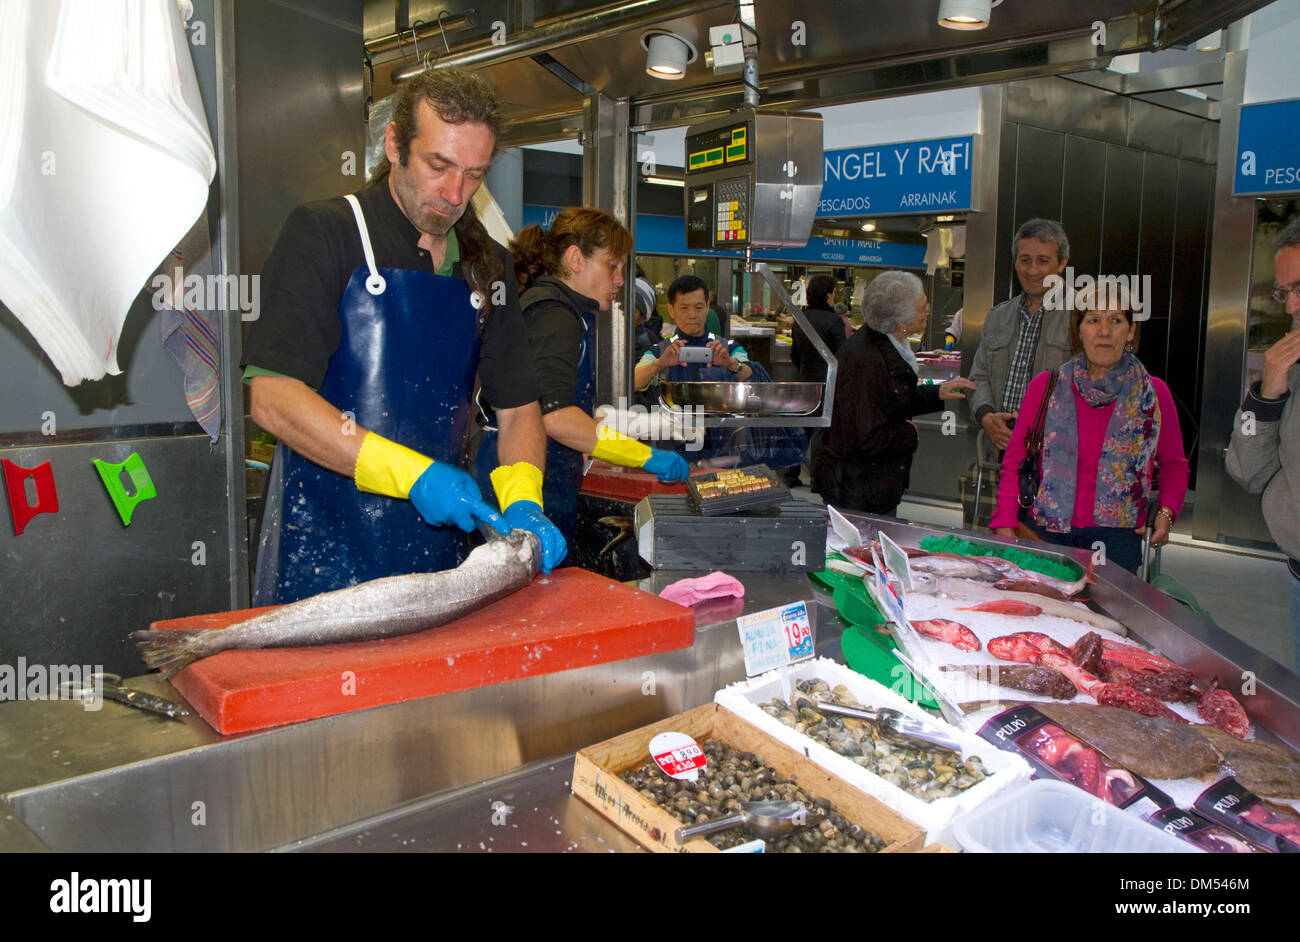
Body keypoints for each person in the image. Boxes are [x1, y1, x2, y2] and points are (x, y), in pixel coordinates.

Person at [243, 69, 565, 604]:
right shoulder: (326, 233)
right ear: (395, 144)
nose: (454, 193)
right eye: (438, 166)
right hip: (323, 557)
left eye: (474, 174)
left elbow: (518, 407)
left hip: (441, 565)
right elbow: (273, 399)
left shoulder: (489, 266)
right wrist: (410, 474)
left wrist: (525, 495)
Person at [479, 208, 688, 542]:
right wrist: (643, 455)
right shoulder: (554, 315)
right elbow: (556, 418)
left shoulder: (563, 310)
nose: (620, 280)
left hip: (537, 480)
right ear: (575, 259)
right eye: (612, 266)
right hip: (524, 488)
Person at [991, 298, 1189, 573]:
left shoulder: (1153, 394)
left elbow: (1175, 466)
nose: (1104, 331)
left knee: (1105, 615)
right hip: (1044, 533)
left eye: (1116, 320)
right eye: (1094, 320)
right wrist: (1004, 522)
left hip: (1117, 540)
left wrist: (1166, 513)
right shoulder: (1046, 387)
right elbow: (1015, 460)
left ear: (1131, 331)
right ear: (1079, 330)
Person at [811, 271, 975, 516]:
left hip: (869, 483)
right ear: (902, 323)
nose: (929, 308)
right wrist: (909, 433)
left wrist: (938, 393)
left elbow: (893, 400)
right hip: (858, 489)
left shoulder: (887, 344)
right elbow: (865, 438)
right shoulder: (866, 360)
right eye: (922, 306)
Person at [1227, 214, 1300, 665]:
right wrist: (1264, 397)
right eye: (1284, 292)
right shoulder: (1286, 366)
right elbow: (1247, 470)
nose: (1291, 307)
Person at [968, 219, 1074, 452]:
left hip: (1056, 457)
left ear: (1062, 264)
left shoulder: (1083, 316)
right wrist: (986, 418)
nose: (1032, 270)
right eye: (1024, 260)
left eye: (1043, 261)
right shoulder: (998, 316)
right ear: (1015, 263)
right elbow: (978, 376)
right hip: (998, 452)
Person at [635, 274, 754, 389]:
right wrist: (659, 364)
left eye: (698, 307)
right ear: (671, 310)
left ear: (707, 307)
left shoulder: (730, 348)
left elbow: (755, 379)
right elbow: (633, 382)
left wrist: (731, 364)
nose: (692, 315)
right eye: (684, 308)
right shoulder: (660, 351)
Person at [791, 273, 847, 384]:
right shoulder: (834, 321)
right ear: (828, 295)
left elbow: (794, 355)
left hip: (805, 381)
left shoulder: (800, 319)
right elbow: (841, 356)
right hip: (828, 382)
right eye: (834, 293)